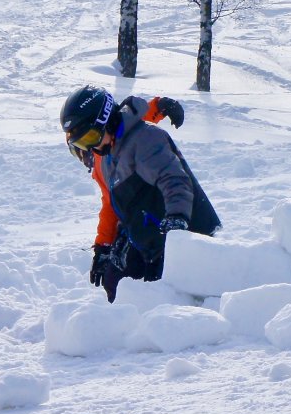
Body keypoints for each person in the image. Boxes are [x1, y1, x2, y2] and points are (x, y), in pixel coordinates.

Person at [59, 86, 221, 303]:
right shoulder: (104, 157)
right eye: (79, 145)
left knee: (160, 297)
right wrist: (103, 246)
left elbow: (174, 180)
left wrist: (177, 220)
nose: (89, 150)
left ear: (105, 121)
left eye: (90, 139)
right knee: (115, 282)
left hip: (177, 230)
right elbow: (111, 204)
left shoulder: (143, 139)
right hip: (146, 230)